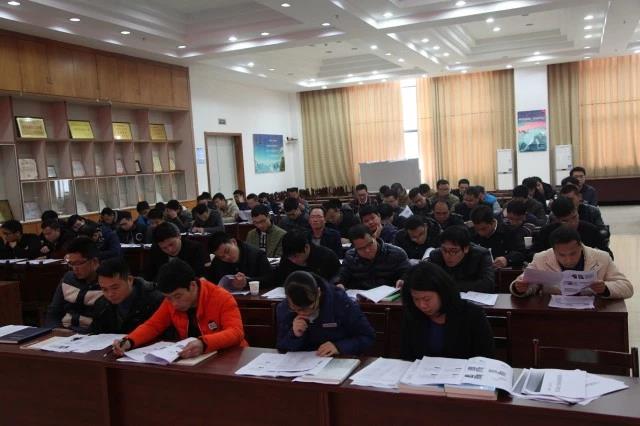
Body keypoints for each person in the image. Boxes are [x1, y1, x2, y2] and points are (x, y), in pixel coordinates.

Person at [112, 259, 247, 359]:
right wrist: (129, 341)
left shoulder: (222, 297)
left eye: (178, 296)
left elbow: (236, 332)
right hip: (194, 359)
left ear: (192, 286)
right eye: (169, 298)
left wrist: (203, 343)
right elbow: (153, 325)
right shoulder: (170, 301)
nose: (174, 304)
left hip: (230, 357)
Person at [400, 262, 495, 360]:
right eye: (416, 299)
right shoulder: (413, 314)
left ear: (442, 292)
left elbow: (486, 358)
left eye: (427, 299)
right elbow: (406, 356)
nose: (422, 305)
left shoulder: (472, 315)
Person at [511, 226, 633, 299]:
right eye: (562, 255)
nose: (568, 260)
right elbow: (523, 283)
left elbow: (627, 287)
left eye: (573, 253)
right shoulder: (541, 258)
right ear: (553, 251)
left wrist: (605, 288)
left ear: (580, 246)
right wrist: (520, 288)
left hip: (593, 313)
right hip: (555, 314)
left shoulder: (602, 257)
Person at [276, 271, 375, 356]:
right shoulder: (285, 308)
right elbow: (281, 347)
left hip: (337, 361)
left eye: (310, 308)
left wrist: (339, 347)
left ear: (319, 292)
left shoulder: (341, 302)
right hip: (303, 363)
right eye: (296, 309)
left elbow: (367, 337)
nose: (304, 313)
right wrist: (294, 335)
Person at [45, 237, 105, 333]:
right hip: (65, 331)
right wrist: (55, 329)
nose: (74, 268)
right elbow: (53, 312)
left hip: (92, 334)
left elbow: (106, 322)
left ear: (94, 262)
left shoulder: (106, 283)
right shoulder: (68, 279)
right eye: (71, 263)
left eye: (78, 263)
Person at [91, 257, 164, 334]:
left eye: (115, 288)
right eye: (104, 289)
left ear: (130, 280)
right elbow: (94, 334)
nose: (110, 294)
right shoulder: (101, 304)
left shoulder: (155, 300)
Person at [533, 196, 612, 258]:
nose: (572, 223)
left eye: (574, 217)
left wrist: (595, 254)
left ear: (577, 211)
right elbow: (534, 255)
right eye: (565, 221)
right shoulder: (546, 233)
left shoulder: (591, 230)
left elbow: (609, 255)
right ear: (556, 219)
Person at [338, 224, 411, 290]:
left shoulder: (396, 253)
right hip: (361, 297)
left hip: (389, 297)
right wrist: (340, 284)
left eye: (369, 244)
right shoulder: (351, 256)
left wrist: (403, 280)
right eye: (361, 248)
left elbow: (408, 274)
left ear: (374, 237)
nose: (367, 250)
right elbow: (342, 276)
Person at [428, 225, 495, 293]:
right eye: (444, 249)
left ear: (466, 248)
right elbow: (428, 281)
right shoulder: (435, 255)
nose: (447, 255)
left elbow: (488, 284)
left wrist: (448, 285)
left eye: (453, 251)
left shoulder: (481, 255)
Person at [269, 230, 341, 286]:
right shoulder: (286, 258)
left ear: (306, 247)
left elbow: (336, 281)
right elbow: (281, 280)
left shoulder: (327, 256)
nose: (293, 260)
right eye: (290, 257)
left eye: (295, 256)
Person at [143, 222, 209, 281]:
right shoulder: (155, 250)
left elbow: (201, 275)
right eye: (164, 248)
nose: (170, 250)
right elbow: (148, 274)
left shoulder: (196, 249)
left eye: (171, 244)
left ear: (179, 236)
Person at [206, 231, 271, 290]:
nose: (227, 257)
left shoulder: (257, 255)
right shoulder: (217, 261)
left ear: (233, 242)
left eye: (227, 251)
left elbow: (269, 279)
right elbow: (212, 283)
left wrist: (247, 282)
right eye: (222, 257)